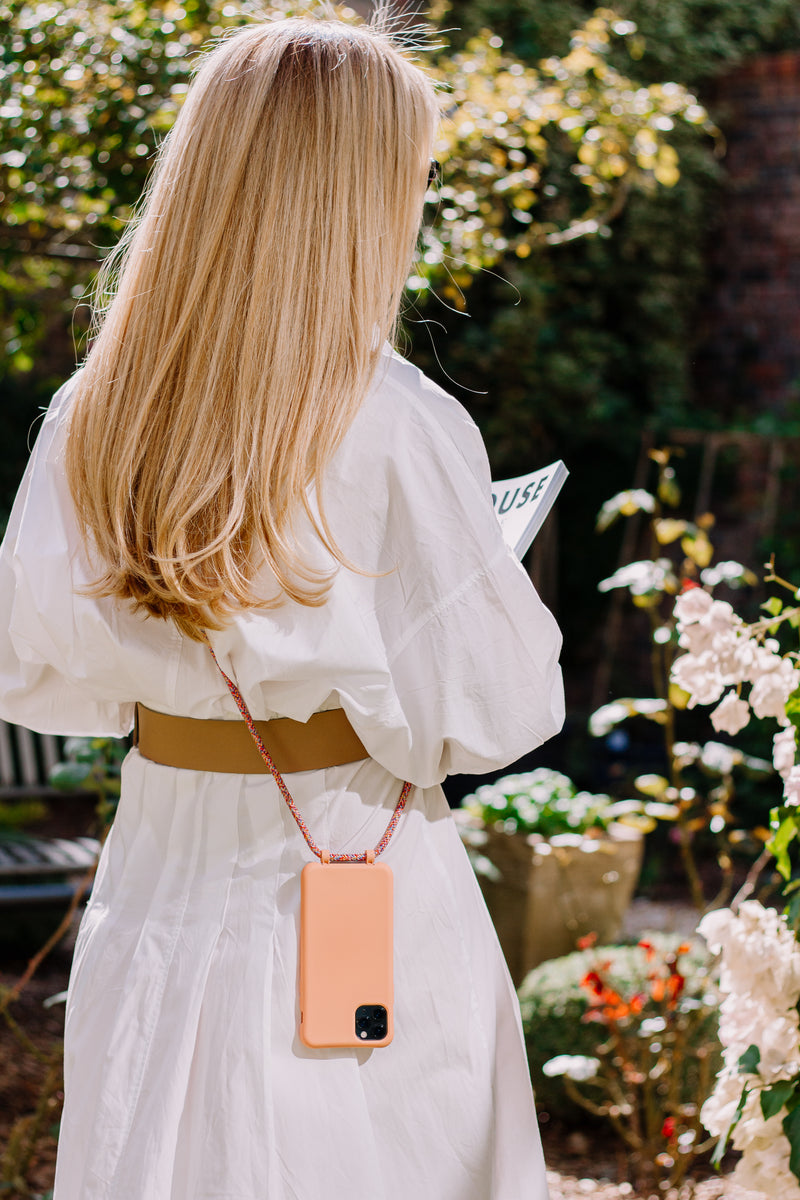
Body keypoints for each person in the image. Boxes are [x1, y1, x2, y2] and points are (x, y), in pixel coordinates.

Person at [0, 15, 564, 1200]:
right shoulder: (398, 423)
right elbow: (504, 709)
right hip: (358, 852)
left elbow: (41, 669)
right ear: (352, 199)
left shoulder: (92, 414)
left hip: (155, 874)